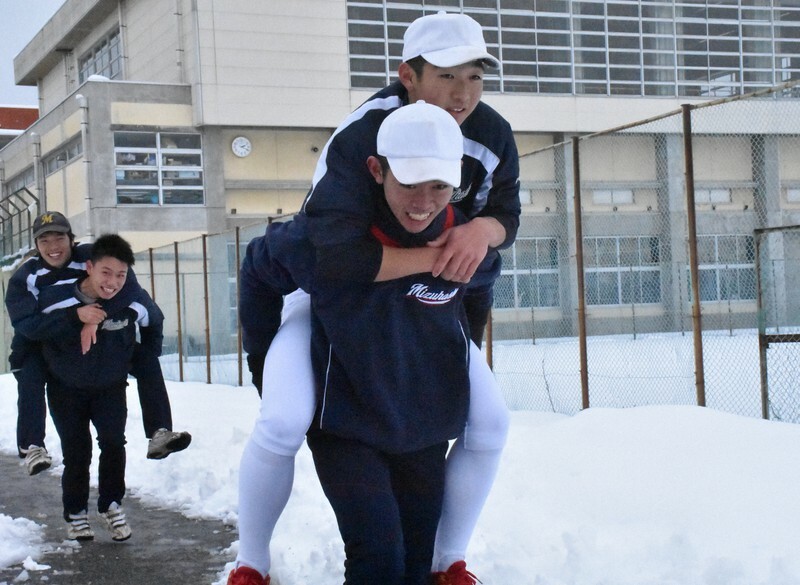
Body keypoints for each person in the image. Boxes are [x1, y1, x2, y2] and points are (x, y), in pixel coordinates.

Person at [233, 11, 516, 585]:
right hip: (327, 294)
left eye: (475, 77)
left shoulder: (489, 131)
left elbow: (504, 215)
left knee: (490, 422)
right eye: (446, 76)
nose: (462, 95)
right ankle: (251, 560)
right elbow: (333, 259)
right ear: (406, 76)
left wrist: (480, 235)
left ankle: (447, 560)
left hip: (420, 301)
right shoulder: (364, 133)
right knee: (284, 418)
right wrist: (441, 261)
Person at [5, 211, 191, 476]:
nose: (53, 247)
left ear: (72, 239)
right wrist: (75, 317)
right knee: (30, 374)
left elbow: (128, 288)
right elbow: (27, 324)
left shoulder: (92, 257)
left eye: (59, 238)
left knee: (146, 360)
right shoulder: (26, 277)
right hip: (44, 341)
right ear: (36, 245)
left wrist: (96, 318)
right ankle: (32, 445)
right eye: (44, 240)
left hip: (102, 337)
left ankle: (159, 432)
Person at [26, 234, 162, 541]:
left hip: (110, 386)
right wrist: (77, 319)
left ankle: (111, 505)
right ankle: (75, 514)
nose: (112, 281)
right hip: (66, 388)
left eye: (120, 275)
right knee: (77, 453)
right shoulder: (56, 297)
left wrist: (146, 356)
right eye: (106, 272)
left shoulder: (130, 298)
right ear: (89, 267)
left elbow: (153, 319)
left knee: (114, 444)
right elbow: (35, 328)